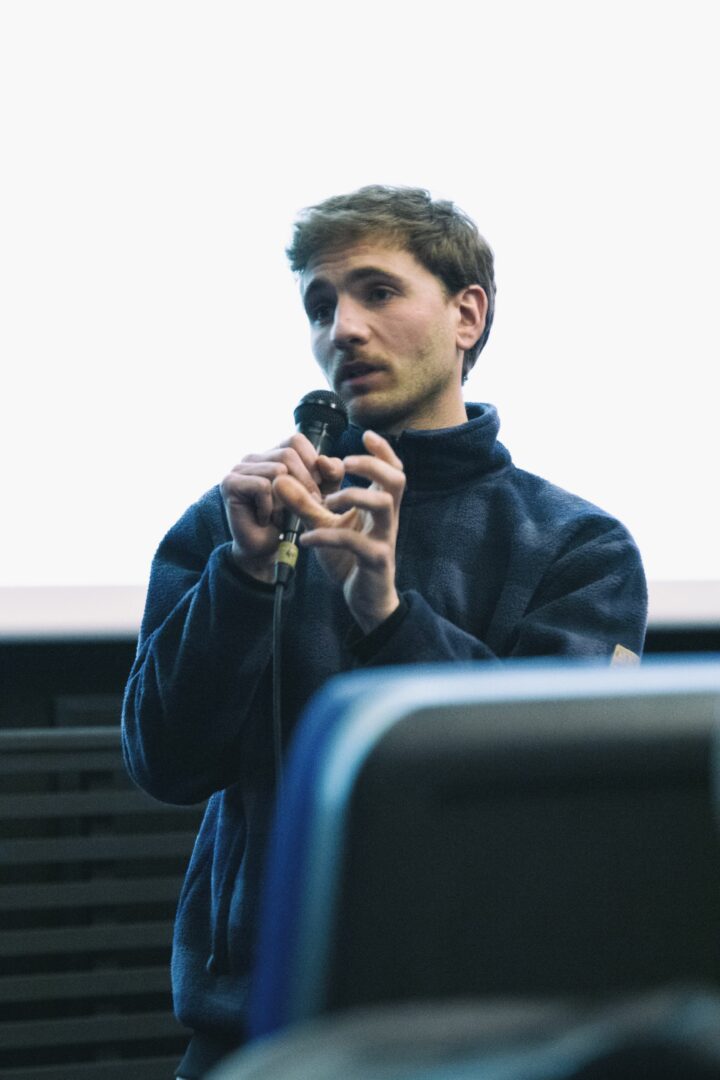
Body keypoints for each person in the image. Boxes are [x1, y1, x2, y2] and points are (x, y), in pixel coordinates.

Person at [121, 185, 647, 1078]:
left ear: (467, 314)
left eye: (377, 292)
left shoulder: (577, 547)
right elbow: (164, 764)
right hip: (257, 1032)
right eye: (320, 306)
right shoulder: (233, 524)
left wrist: (388, 613)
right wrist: (242, 579)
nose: (344, 329)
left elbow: (555, 809)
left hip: (487, 1036)